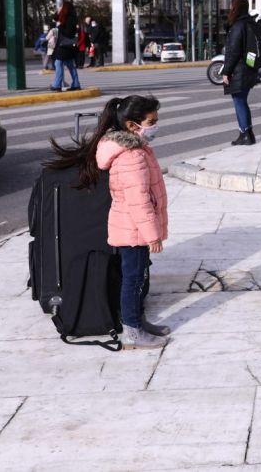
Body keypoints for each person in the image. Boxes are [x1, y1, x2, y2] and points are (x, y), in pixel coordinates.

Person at [88, 95, 171, 350]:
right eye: (151, 121)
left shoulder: (135, 148)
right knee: (133, 280)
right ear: (132, 126)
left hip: (132, 227)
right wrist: (152, 234)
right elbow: (139, 201)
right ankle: (132, 331)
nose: (155, 125)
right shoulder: (131, 156)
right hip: (133, 229)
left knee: (139, 278)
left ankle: (139, 321)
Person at [221, 0, 261, 146]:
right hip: (249, 67)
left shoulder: (238, 25)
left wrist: (226, 72)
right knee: (242, 101)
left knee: (239, 102)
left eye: (231, 5)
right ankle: (247, 133)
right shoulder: (251, 22)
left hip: (239, 70)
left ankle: (245, 134)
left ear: (235, 7)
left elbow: (234, 51)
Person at [51, 2, 81, 92]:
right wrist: (57, 11)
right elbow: (54, 18)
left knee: (58, 63)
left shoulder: (70, 18)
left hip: (65, 45)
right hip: (66, 46)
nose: (60, 8)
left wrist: (59, 27)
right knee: (70, 65)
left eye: (61, 7)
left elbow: (69, 32)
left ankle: (57, 85)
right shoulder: (66, 17)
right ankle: (76, 84)